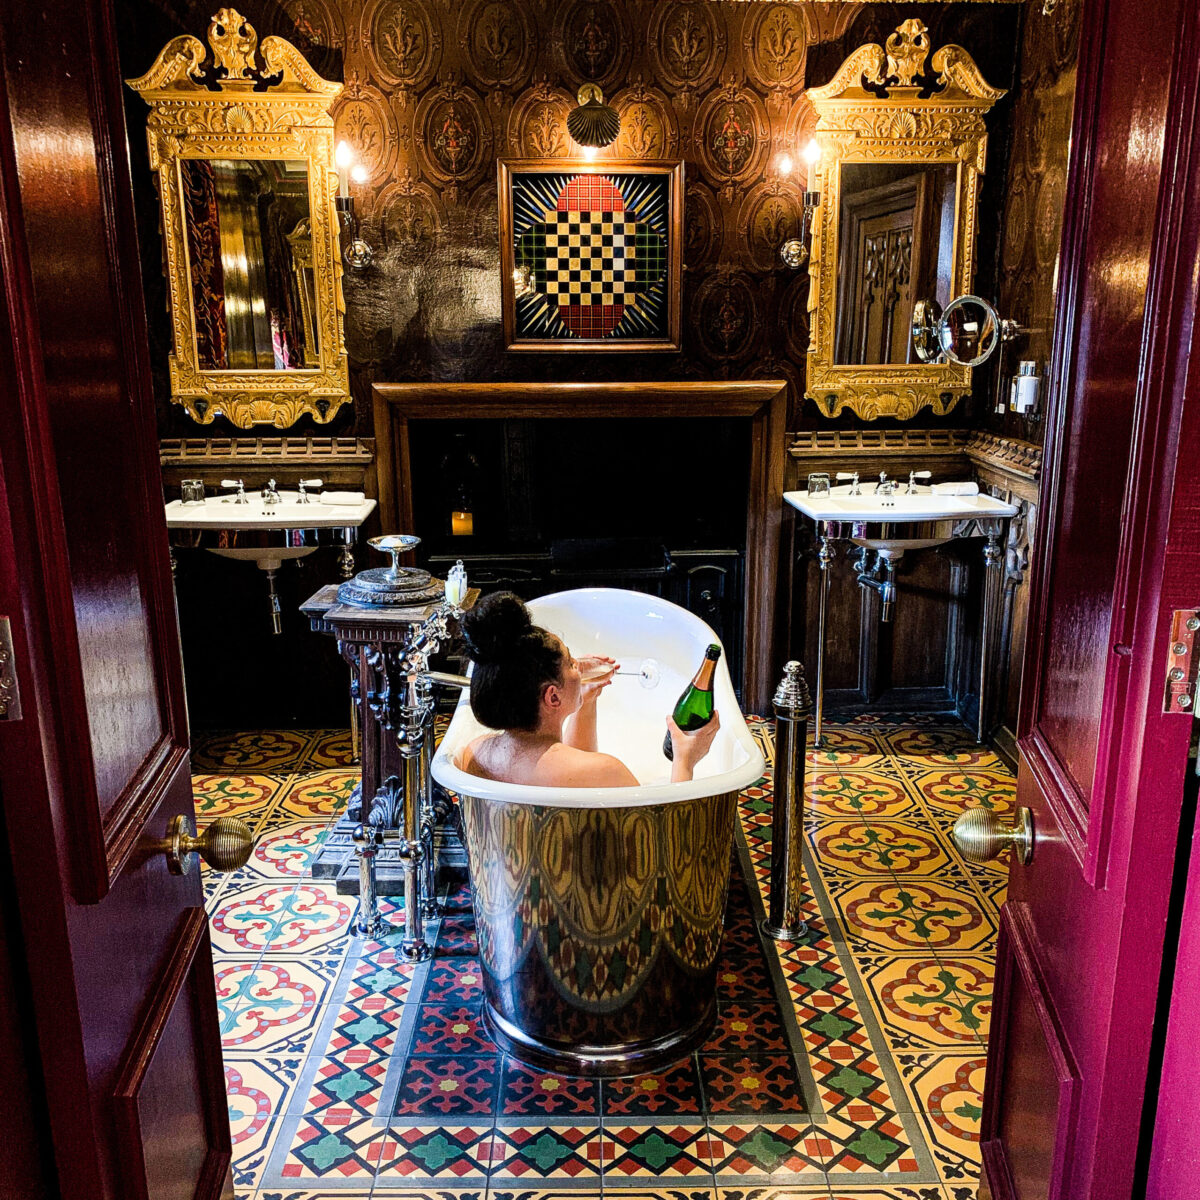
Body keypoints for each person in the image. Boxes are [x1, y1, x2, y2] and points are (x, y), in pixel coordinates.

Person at [456, 591, 719, 787]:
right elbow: (667, 838)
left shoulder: (474, 754)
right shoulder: (608, 771)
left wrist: (586, 702)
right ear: (553, 696)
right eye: (571, 663)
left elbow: (572, 773)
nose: (579, 668)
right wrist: (685, 761)